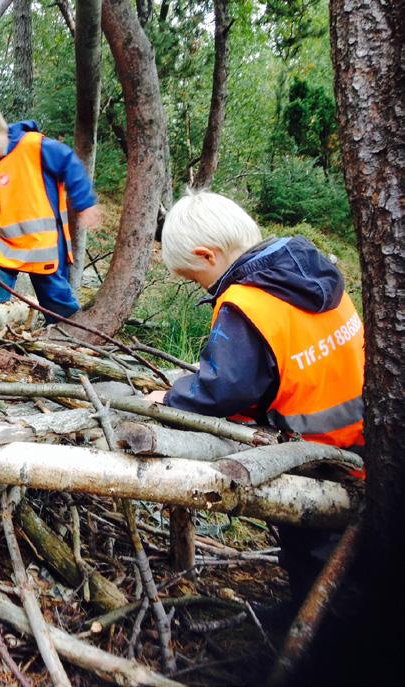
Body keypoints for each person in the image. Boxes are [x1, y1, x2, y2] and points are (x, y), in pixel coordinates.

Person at [151, 189, 365, 604]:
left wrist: (171, 399)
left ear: (207, 255)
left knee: (311, 555)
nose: (202, 287)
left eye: (194, 277)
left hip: (319, 457)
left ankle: (323, 636)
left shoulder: (247, 301)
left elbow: (222, 389)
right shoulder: (309, 275)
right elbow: (290, 364)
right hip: (369, 438)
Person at [0, 96, 100, 321]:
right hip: (4, 243)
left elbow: (68, 163)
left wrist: (85, 203)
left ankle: (70, 336)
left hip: (43, 244)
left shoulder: (33, 146)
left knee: (56, 301)